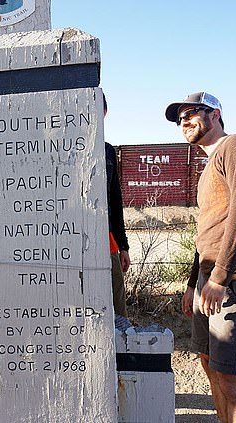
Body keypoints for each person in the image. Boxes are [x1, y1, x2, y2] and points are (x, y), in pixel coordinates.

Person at [165, 92, 236, 422]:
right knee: (210, 366)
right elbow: (208, 231)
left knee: (232, 380)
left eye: (191, 113)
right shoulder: (210, 165)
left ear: (214, 114)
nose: (184, 121)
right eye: (178, 118)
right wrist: (193, 283)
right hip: (209, 282)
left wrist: (219, 276)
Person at [103, 94, 131, 331]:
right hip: (69, 235)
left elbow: (115, 199)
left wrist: (123, 246)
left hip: (106, 236)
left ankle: (122, 345)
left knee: (115, 292)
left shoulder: (107, 151)